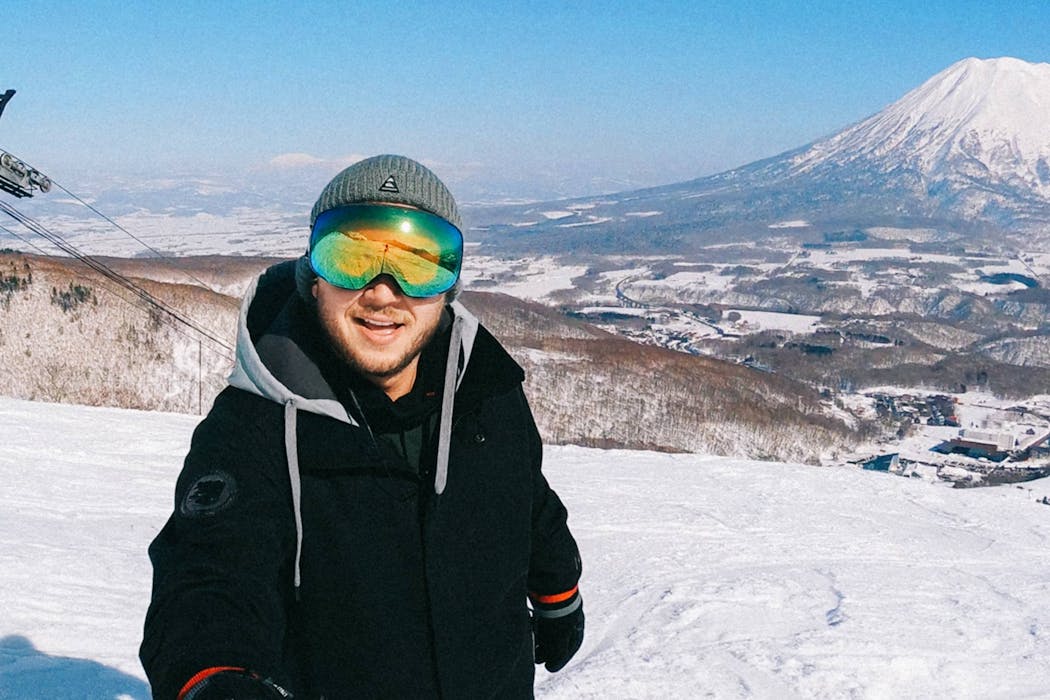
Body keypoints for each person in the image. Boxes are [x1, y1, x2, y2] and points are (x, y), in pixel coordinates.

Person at [140, 155, 584, 699]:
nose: (382, 292)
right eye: (350, 256)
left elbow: (525, 493)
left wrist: (559, 592)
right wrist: (214, 680)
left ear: (449, 288)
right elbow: (208, 578)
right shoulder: (255, 428)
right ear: (313, 278)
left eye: (418, 264)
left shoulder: (486, 389)